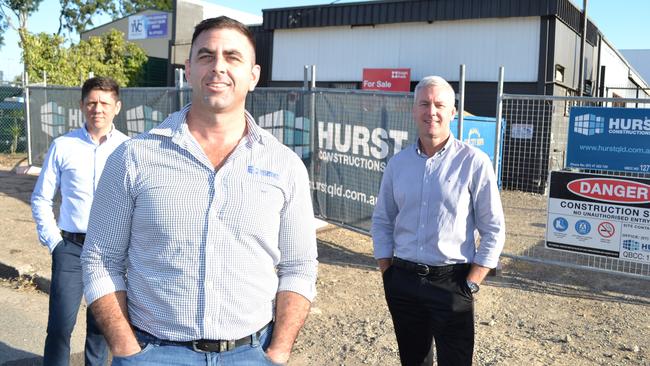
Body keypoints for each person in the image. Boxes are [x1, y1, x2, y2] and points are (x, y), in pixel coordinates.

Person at [80, 16, 318, 366]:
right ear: (188, 70)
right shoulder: (134, 157)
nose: (218, 67)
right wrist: (128, 350)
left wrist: (278, 352)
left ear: (253, 76)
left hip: (251, 354)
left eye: (232, 57)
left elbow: (299, 267)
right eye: (206, 56)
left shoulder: (285, 166)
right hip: (153, 353)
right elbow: (101, 258)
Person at [371, 75, 506, 366]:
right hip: (403, 280)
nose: (431, 111)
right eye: (424, 103)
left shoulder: (474, 162)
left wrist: (471, 283)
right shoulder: (398, 164)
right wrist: (387, 272)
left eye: (439, 104)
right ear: (414, 110)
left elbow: (493, 229)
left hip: (453, 283)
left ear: (453, 112)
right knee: (413, 360)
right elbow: (382, 220)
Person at [31, 76, 128, 365]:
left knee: (101, 329)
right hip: (70, 249)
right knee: (60, 327)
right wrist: (55, 244)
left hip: (111, 252)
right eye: (92, 102)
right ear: (82, 105)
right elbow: (41, 197)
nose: (98, 108)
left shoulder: (129, 148)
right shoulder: (63, 146)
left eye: (105, 103)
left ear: (117, 107)